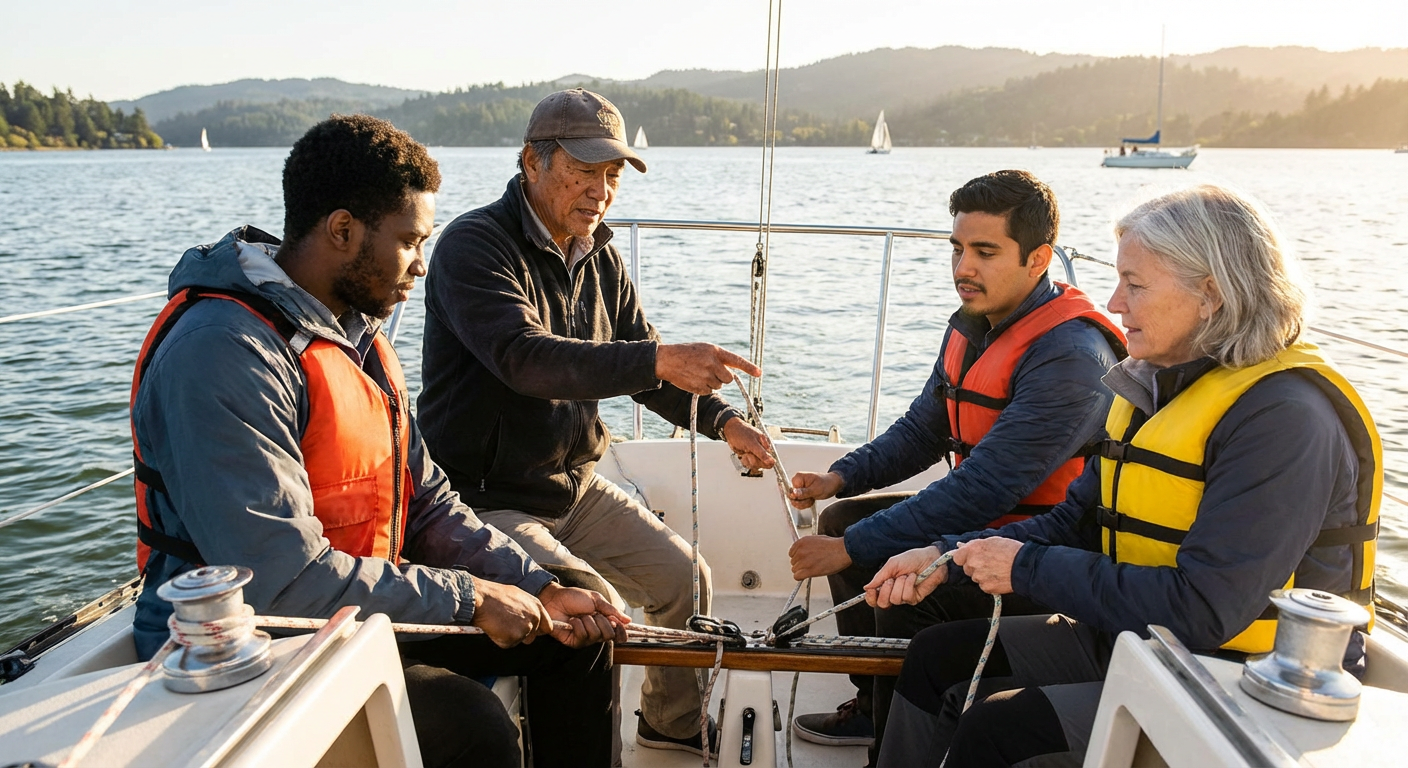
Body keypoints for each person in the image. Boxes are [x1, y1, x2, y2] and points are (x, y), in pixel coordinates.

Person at [129, 115, 629, 768]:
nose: (423, 265)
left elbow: (425, 503)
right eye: (409, 242)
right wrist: (472, 599)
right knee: (471, 726)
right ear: (342, 231)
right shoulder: (223, 354)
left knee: (576, 640)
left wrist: (536, 585)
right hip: (258, 643)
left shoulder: (353, 334)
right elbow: (278, 585)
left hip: (357, 609)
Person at [869, 184, 1381, 767]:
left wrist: (1023, 567)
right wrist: (944, 556)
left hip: (1238, 678)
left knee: (1004, 727)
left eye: (1135, 285)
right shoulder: (1154, 385)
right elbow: (1077, 524)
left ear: (1211, 295)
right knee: (938, 658)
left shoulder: (1284, 420)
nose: (1114, 303)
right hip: (1140, 639)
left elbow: (1205, 610)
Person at [417, 88, 775, 757]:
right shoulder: (474, 247)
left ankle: (668, 725)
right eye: (585, 171)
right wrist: (659, 358)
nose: (601, 192)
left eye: (612, 176)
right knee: (599, 608)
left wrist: (726, 423)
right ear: (532, 162)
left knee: (684, 578)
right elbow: (524, 360)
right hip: (485, 500)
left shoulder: (600, 254)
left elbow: (647, 369)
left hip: (572, 486)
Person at [785, 170, 1124, 760]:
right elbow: (925, 427)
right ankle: (874, 705)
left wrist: (853, 549)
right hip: (984, 526)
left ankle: (895, 736)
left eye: (985, 252)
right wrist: (842, 475)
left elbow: (986, 488)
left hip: (1039, 553)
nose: (963, 267)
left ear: (1038, 257)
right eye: (958, 249)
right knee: (843, 519)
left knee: (893, 572)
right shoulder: (976, 324)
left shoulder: (1072, 356)